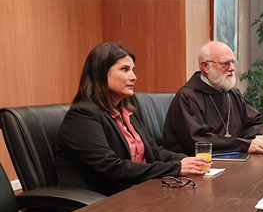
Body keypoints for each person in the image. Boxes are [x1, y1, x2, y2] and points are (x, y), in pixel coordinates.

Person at [56, 42, 209, 196]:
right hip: (100, 204)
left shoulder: (127, 109)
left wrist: (190, 162)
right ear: (101, 73)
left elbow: (154, 152)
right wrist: (176, 168)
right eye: (125, 69)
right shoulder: (82, 115)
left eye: (133, 70)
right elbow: (111, 168)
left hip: (138, 193)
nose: (134, 77)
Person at [163, 41, 263, 156]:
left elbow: (251, 123)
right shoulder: (187, 97)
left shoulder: (233, 94)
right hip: (196, 165)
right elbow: (198, 141)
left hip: (234, 160)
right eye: (225, 63)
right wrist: (244, 145)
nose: (232, 68)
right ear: (205, 66)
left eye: (233, 62)